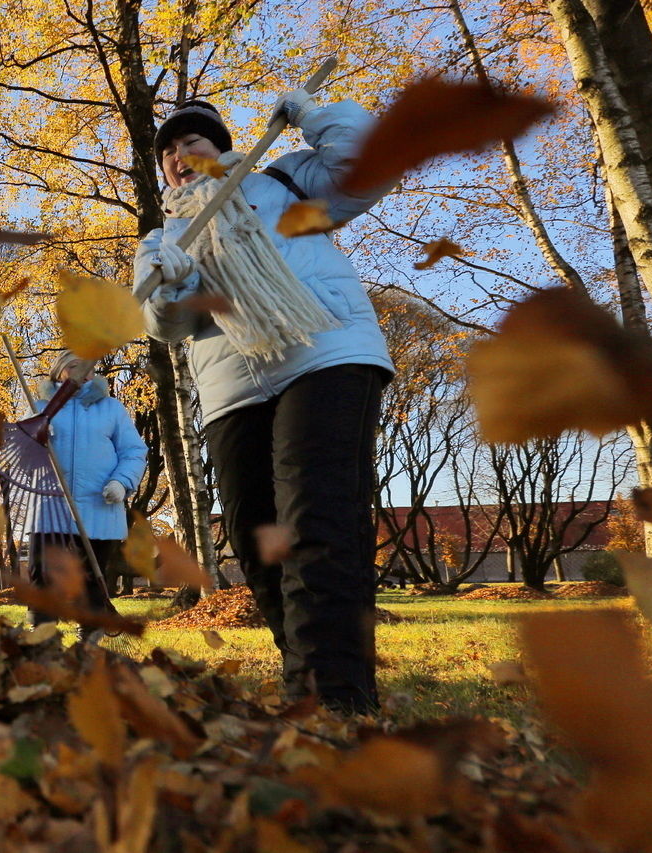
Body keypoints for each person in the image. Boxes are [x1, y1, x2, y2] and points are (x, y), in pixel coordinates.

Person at [133, 93, 394, 713]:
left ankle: (333, 701)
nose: (178, 154)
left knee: (316, 524)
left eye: (192, 140)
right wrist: (171, 282)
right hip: (233, 392)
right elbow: (164, 325)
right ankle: (304, 678)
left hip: (324, 355)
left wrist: (313, 112)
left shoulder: (283, 182)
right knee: (259, 544)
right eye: (167, 151)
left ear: (221, 146)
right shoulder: (164, 237)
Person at [29, 351, 146, 634]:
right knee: (43, 573)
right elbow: (19, 452)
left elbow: (134, 451)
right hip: (50, 504)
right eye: (74, 366)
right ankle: (43, 636)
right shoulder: (40, 406)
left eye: (87, 367)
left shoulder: (111, 409)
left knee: (92, 576)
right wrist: (35, 437)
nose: (83, 372)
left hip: (99, 503)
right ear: (59, 372)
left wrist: (122, 482)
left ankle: (90, 636)